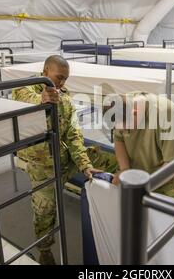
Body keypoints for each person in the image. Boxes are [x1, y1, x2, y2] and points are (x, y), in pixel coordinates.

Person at [12, 55, 117, 265]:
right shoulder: (25, 89)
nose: (61, 83)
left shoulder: (65, 99)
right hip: (44, 168)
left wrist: (85, 164)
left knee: (108, 159)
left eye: (65, 79)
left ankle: (122, 203)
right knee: (44, 211)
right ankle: (44, 250)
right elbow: (20, 100)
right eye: (59, 77)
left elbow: (74, 135)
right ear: (45, 72)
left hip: (65, 157)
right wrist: (42, 99)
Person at [107, 92, 174, 201]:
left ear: (135, 113)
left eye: (127, 130)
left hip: (170, 179)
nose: (124, 133)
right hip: (139, 175)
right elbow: (119, 139)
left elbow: (173, 164)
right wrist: (124, 169)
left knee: (164, 216)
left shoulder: (166, 114)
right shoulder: (122, 109)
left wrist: (143, 188)